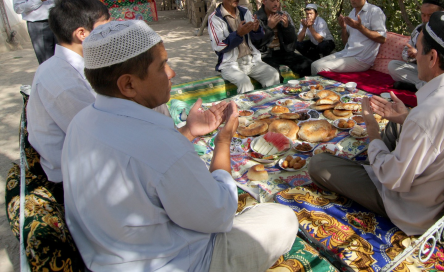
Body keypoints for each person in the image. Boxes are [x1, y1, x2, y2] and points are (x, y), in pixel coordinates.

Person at [62, 20, 298, 272]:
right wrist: (223, 141)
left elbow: (147, 170)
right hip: (185, 263)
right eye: (162, 65)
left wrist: (188, 131)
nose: (172, 73)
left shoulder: (80, 122)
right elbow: (220, 214)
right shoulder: (158, 144)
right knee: (282, 218)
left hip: (108, 257)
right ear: (128, 84)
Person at [309, 11, 444, 236]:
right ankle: (377, 156)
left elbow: (393, 179)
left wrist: (373, 131)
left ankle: (373, 161)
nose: (414, 57)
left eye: (417, 50)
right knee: (396, 125)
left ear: (432, 57)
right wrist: (407, 117)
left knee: (319, 164)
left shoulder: (430, 113)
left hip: (417, 208)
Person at [27, 0, 110, 186]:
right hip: (79, 178)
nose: (112, 33)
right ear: (82, 34)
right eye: (105, 26)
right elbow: (101, 137)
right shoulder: (63, 81)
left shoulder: (77, 66)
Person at [208, 0, 280, 93]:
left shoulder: (244, 11)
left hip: (251, 61)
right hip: (230, 64)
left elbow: (257, 39)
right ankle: (246, 111)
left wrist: (256, 30)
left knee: (273, 75)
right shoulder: (215, 18)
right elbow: (218, 46)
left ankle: (270, 107)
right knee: (244, 82)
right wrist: (238, 34)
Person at [311, 0, 387, 75]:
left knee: (319, 67)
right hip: (347, 53)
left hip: (361, 59)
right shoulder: (352, 12)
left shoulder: (374, 11)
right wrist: (343, 28)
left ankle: (321, 88)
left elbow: (382, 39)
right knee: (314, 65)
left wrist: (360, 28)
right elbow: (346, 43)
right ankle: (320, 89)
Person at [388, 0, 444, 92]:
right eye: (423, 15)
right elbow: (405, 53)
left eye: (430, 16)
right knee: (393, 66)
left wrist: (418, 54)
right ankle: (422, 86)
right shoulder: (418, 30)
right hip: (420, 70)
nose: (426, 19)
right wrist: (411, 54)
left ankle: (420, 87)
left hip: (437, 74)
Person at [253, 0, 313, 77]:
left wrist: (287, 27)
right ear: (264, 1)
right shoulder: (256, 18)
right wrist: (268, 28)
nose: (276, 4)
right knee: (275, 74)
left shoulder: (283, 16)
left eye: (277, 0)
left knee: (308, 65)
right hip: (265, 55)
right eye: (272, 0)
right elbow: (256, 44)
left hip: (283, 53)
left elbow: (292, 42)